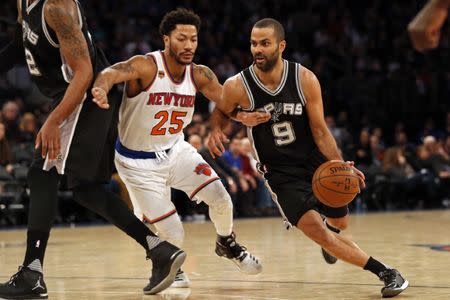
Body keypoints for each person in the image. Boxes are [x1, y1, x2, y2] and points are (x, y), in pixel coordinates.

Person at [208, 18, 409, 298]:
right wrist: (232, 121)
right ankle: (386, 272)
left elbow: (320, 130)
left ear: (281, 45)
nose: (257, 49)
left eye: (264, 43)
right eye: (254, 43)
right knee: (318, 232)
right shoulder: (237, 85)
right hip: (280, 172)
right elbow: (221, 111)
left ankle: (333, 237)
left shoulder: (304, 79)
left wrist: (340, 165)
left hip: (315, 160)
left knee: (340, 223)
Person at [0, 1, 186, 298]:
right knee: (86, 189)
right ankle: (159, 249)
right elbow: (18, 45)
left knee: (42, 173)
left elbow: (84, 71)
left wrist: (53, 121)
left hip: (85, 96)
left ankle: (32, 273)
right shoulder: (25, 4)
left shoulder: (56, 8)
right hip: (82, 100)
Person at [91, 8, 262, 288]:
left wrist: (245, 117)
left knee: (222, 197)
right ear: (166, 39)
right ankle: (170, 268)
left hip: (176, 151)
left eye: (193, 39)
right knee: (173, 230)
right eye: (182, 38)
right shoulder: (146, 66)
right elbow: (111, 72)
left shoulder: (200, 74)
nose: (189, 45)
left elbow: (223, 101)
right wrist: (100, 87)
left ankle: (227, 243)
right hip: (137, 163)